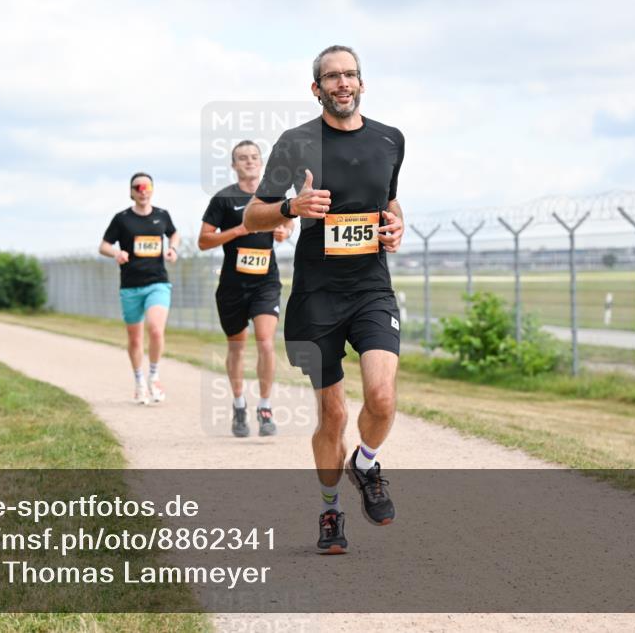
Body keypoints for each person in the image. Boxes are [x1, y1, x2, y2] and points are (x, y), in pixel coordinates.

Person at [243, 45, 405, 553]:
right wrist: (292, 205)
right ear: (317, 88)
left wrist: (398, 224)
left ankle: (367, 463)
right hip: (318, 295)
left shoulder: (389, 139)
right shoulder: (295, 143)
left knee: (381, 397)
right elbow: (253, 216)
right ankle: (331, 510)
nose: (342, 83)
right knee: (332, 416)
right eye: (332, 76)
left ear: (361, 83)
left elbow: (390, 198)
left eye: (350, 74)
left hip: (372, 287)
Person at [199, 140, 292, 438]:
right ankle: (239, 404)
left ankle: (265, 407)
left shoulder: (273, 195)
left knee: (266, 342)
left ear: (261, 162)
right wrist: (238, 230)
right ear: (234, 165)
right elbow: (203, 241)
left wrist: (284, 231)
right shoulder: (223, 199)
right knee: (237, 347)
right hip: (232, 286)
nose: (249, 162)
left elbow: (290, 222)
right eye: (242, 158)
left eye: (253, 157)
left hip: (266, 281)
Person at [99, 172, 180, 405]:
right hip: (131, 286)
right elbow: (103, 245)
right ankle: (139, 381)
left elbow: (174, 233)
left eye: (147, 186)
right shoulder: (122, 219)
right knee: (135, 339)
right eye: (138, 187)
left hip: (158, 282)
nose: (143, 190)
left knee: (155, 329)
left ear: (152, 190)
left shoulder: (162, 215)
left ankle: (154, 376)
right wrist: (116, 252)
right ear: (131, 191)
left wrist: (173, 249)